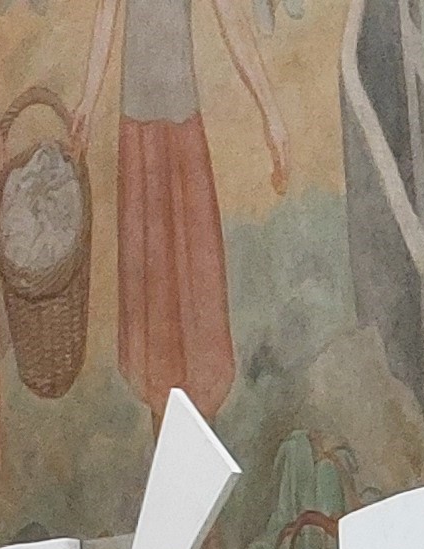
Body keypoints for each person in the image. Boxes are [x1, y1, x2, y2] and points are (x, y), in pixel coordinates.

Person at [79, 0, 289, 423]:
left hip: (182, 132)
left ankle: (198, 444)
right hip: (137, 136)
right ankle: (166, 444)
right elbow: (106, 13)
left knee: (197, 297)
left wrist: (271, 114)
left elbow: (232, 18)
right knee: (151, 307)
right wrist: (87, 100)